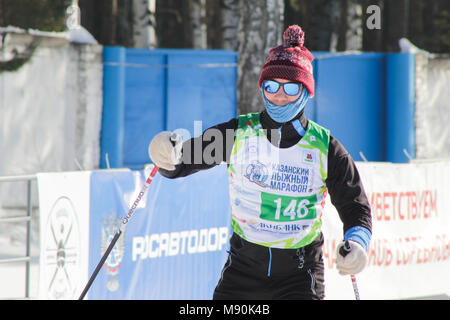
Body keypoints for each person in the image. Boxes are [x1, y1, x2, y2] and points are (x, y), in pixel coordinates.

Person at [148, 25, 372, 300]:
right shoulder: (238, 133)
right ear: (262, 88)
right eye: (271, 86)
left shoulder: (324, 147)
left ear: (306, 91)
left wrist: (357, 243)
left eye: (290, 87)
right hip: (243, 270)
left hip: (300, 275)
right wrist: (167, 154)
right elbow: (183, 159)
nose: (279, 95)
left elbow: (355, 206)